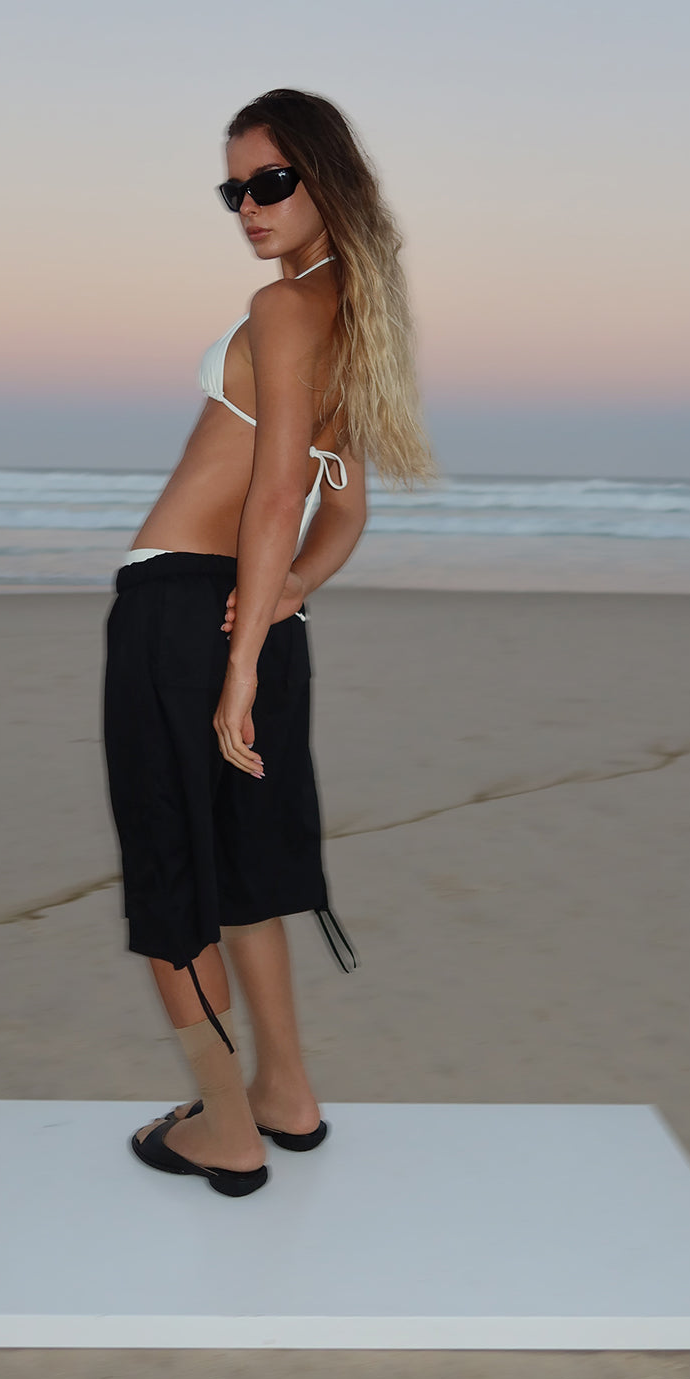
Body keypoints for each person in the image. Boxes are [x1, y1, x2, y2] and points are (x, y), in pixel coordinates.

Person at [101, 88, 437, 1197]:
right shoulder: (354, 314)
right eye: (233, 188)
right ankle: (288, 1094)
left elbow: (279, 486)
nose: (247, 206)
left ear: (326, 177)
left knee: (172, 875)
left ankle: (225, 1123)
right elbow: (340, 511)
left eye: (270, 182)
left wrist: (238, 655)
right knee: (245, 878)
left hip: (185, 616)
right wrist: (284, 596)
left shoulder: (285, 305)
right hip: (257, 608)